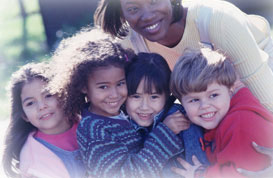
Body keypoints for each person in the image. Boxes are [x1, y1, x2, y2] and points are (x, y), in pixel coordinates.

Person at [94, 0, 273, 121]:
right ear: (123, 13)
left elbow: (271, 101)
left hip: (264, 81)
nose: (148, 15)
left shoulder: (217, 20)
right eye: (133, 9)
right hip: (208, 102)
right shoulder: (130, 43)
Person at [49, 28, 189, 178]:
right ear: (83, 86)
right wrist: (165, 133)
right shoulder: (94, 130)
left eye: (121, 83)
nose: (114, 94)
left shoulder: (122, 111)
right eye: (103, 87)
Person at [169, 48, 273, 178]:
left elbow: (242, 172)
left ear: (230, 90)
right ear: (182, 101)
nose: (205, 106)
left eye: (213, 95)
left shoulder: (240, 123)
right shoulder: (226, 114)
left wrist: (202, 173)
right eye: (194, 100)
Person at [125, 52, 209, 177]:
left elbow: (198, 163)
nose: (144, 106)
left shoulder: (179, 118)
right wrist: (164, 133)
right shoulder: (119, 128)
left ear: (167, 95)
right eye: (136, 96)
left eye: (154, 97)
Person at [2, 62, 85, 178]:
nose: (42, 106)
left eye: (48, 95)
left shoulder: (91, 124)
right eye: (30, 103)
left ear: (63, 94)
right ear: (24, 115)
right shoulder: (31, 160)